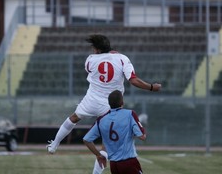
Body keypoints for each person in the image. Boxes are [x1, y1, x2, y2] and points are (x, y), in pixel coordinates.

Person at [47, 34, 161, 174]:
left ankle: (54, 144)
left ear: (98, 50)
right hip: (109, 104)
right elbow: (133, 80)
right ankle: (96, 172)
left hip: (92, 99)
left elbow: (91, 69)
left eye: (93, 48)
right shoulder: (122, 58)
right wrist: (151, 87)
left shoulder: (90, 60)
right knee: (106, 144)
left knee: (74, 118)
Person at [83, 90, 146, 174]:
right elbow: (142, 136)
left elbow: (86, 139)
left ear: (109, 103)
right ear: (122, 102)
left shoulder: (101, 119)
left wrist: (98, 155)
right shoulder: (130, 114)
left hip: (114, 165)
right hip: (129, 162)